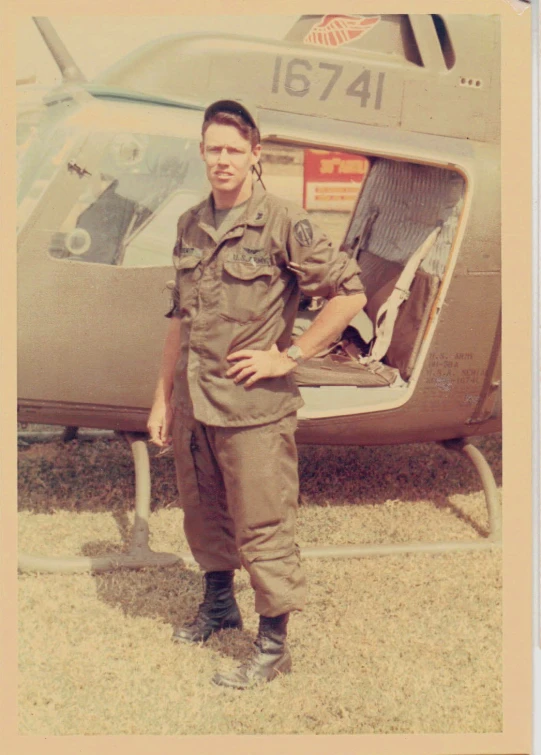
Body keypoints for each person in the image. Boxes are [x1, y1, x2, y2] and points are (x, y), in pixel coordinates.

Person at [147, 98, 367, 689]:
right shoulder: (189, 224)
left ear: (254, 154)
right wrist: (163, 397)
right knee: (204, 511)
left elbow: (349, 293)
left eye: (233, 150)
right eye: (213, 148)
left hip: (255, 409)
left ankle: (273, 646)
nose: (222, 160)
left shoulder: (282, 222)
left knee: (262, 524)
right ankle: (219, 606)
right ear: (202, 152)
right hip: (198, 400)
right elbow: (179, 317)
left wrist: (288, 355)